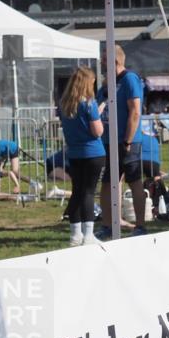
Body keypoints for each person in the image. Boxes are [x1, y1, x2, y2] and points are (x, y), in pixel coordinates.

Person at [96, 44, 146, 239]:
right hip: (108, 141)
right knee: (108, 183)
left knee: (134, 182)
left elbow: (135, 111)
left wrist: (127, 140)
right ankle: (108, 224)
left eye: (104, 59)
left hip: (128, 141)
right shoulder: (107, 84)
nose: (101, 62)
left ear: (114, 60)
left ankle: (140, 225)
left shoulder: (129, 79)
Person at [58, 67, 106, 246]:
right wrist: (98, 118)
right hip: (93, 153)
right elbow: (97, 131)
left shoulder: (64, 105)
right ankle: (88, 235)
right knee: (88, 193)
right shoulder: (89, 103)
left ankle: (75, 234)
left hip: (74, 154)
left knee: (77, 192)